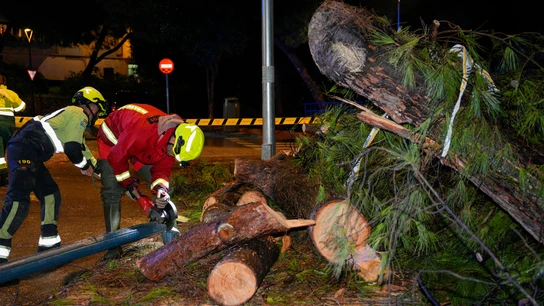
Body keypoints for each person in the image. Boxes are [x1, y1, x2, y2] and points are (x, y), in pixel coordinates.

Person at [0, 86, 106, 271]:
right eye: (97, 109)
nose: (96, 115)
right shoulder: (77, 113)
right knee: (18, 202)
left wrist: (105, 175)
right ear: (89, 105)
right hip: (25, 150)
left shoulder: (72, 120)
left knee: (51, 194)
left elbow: (84, 152)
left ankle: (48, 250)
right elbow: (73, 150)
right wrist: (83, 167)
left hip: (28, 152)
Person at [96, 103, 204, 260]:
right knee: (112, 190)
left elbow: (161, 172)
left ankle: (162, 227)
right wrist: (133, 190)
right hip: (113, 141)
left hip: (143, 148)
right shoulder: (143, 132)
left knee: (168, 186)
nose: (172, 156)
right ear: (174, 139)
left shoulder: (172, 142)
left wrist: (161, 190)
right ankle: (113, 247)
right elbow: (117, 158)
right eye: (173, 152)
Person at [0, 75, 26, 186]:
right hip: (7, 124)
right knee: (5, 149)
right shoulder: (11, 94)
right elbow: (21, 107)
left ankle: (2, 175)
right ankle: (4, 175)